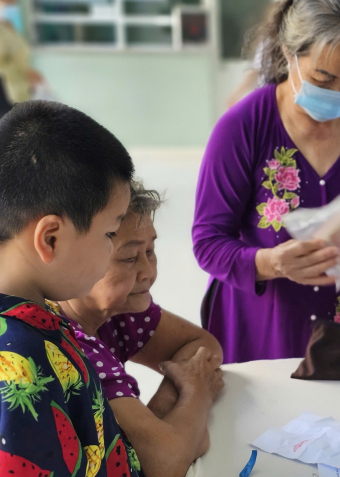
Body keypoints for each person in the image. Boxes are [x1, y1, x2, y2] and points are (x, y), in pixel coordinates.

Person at [193, 0, 340, 363]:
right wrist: (271, 263)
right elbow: (208, 241)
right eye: (323, 79)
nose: (339, 94)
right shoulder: (243, 127)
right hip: (259, 330)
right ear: (288, 53)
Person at [0, 101, 143, 475]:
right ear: (50, 238)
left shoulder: (37, 313)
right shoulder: (19, 366)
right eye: (109, 233)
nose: (111, 249)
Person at [52, 180, 224, 477]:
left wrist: (165, 416)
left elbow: (203, 345)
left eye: (151, 251)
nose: (148, 272)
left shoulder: (119, 312)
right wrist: (197, 394)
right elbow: (163, 465)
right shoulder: (72, 344)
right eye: (129, 258)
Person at [0, 0, 45, 114]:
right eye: (8, 3)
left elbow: (18, 55)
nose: (14, 4)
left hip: (18, 90)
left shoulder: (6, 25)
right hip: (6, 92)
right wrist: (25, 72)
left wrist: (27, 71)